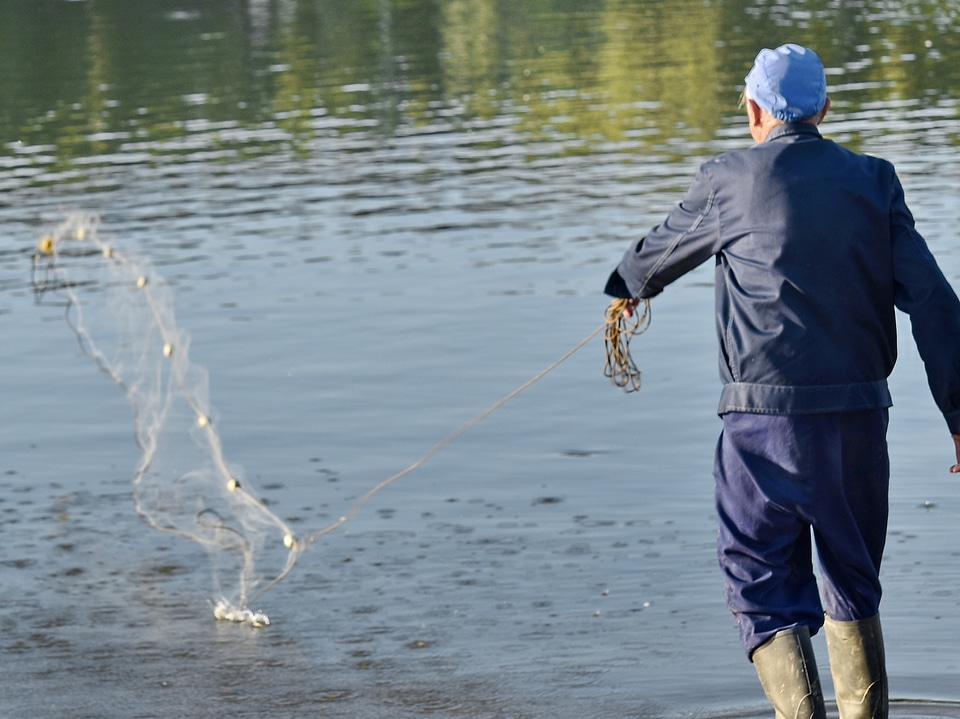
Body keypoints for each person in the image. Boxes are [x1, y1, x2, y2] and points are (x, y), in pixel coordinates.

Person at [604, 43, 960, 719]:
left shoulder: (728, 179)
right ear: (824, 108)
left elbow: (655, 256)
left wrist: (627, 288)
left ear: (756, 109)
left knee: (762, 585)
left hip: (760, 426)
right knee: (853, 581)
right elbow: (936, 303)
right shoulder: (875, 180)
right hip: (858, 420)